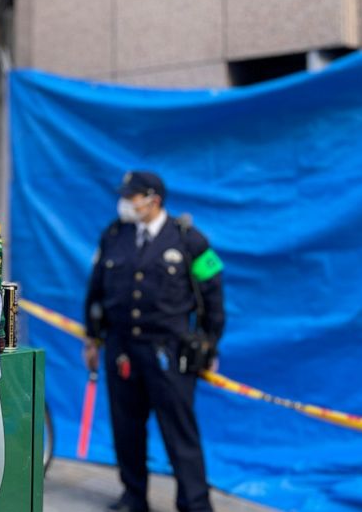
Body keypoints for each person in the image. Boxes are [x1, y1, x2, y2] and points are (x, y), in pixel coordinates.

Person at [83, 171, 225, 512]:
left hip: (168, 352)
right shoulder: (114, 235)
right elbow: (96, 289)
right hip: (121, 349)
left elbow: (214, 294)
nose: (126, 203)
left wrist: (209, 342)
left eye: (132, 197)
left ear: (153, 200)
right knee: (126, 428)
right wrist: (92, 338)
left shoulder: (190, 240)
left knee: (180, 432)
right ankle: (134, 496)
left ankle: (195, 502)